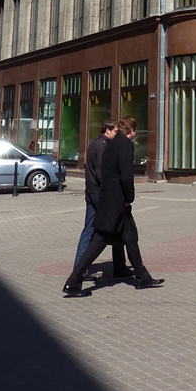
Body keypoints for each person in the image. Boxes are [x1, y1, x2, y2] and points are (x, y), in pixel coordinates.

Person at [63, 117, 164, 296]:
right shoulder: (125, 146)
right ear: (131, 131)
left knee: (131, 238)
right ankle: (73, 282)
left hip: (111, 200)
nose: (135, 134)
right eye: (135, 131)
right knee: (98, 241)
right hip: (116, 203)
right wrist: (129, 197)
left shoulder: (111, 144)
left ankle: (143, 277)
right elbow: (126, 176)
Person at [73, 118, 126, 277]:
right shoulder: (103, 147)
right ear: (107, 130)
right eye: (115, 131)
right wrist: (112, 190)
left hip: (90, 192)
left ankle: (79, 268)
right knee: (116, 228)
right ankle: (119, 267)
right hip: (99, 194)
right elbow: (101, 173)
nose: (117, 134)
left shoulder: (93, 143)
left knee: (88, 230)